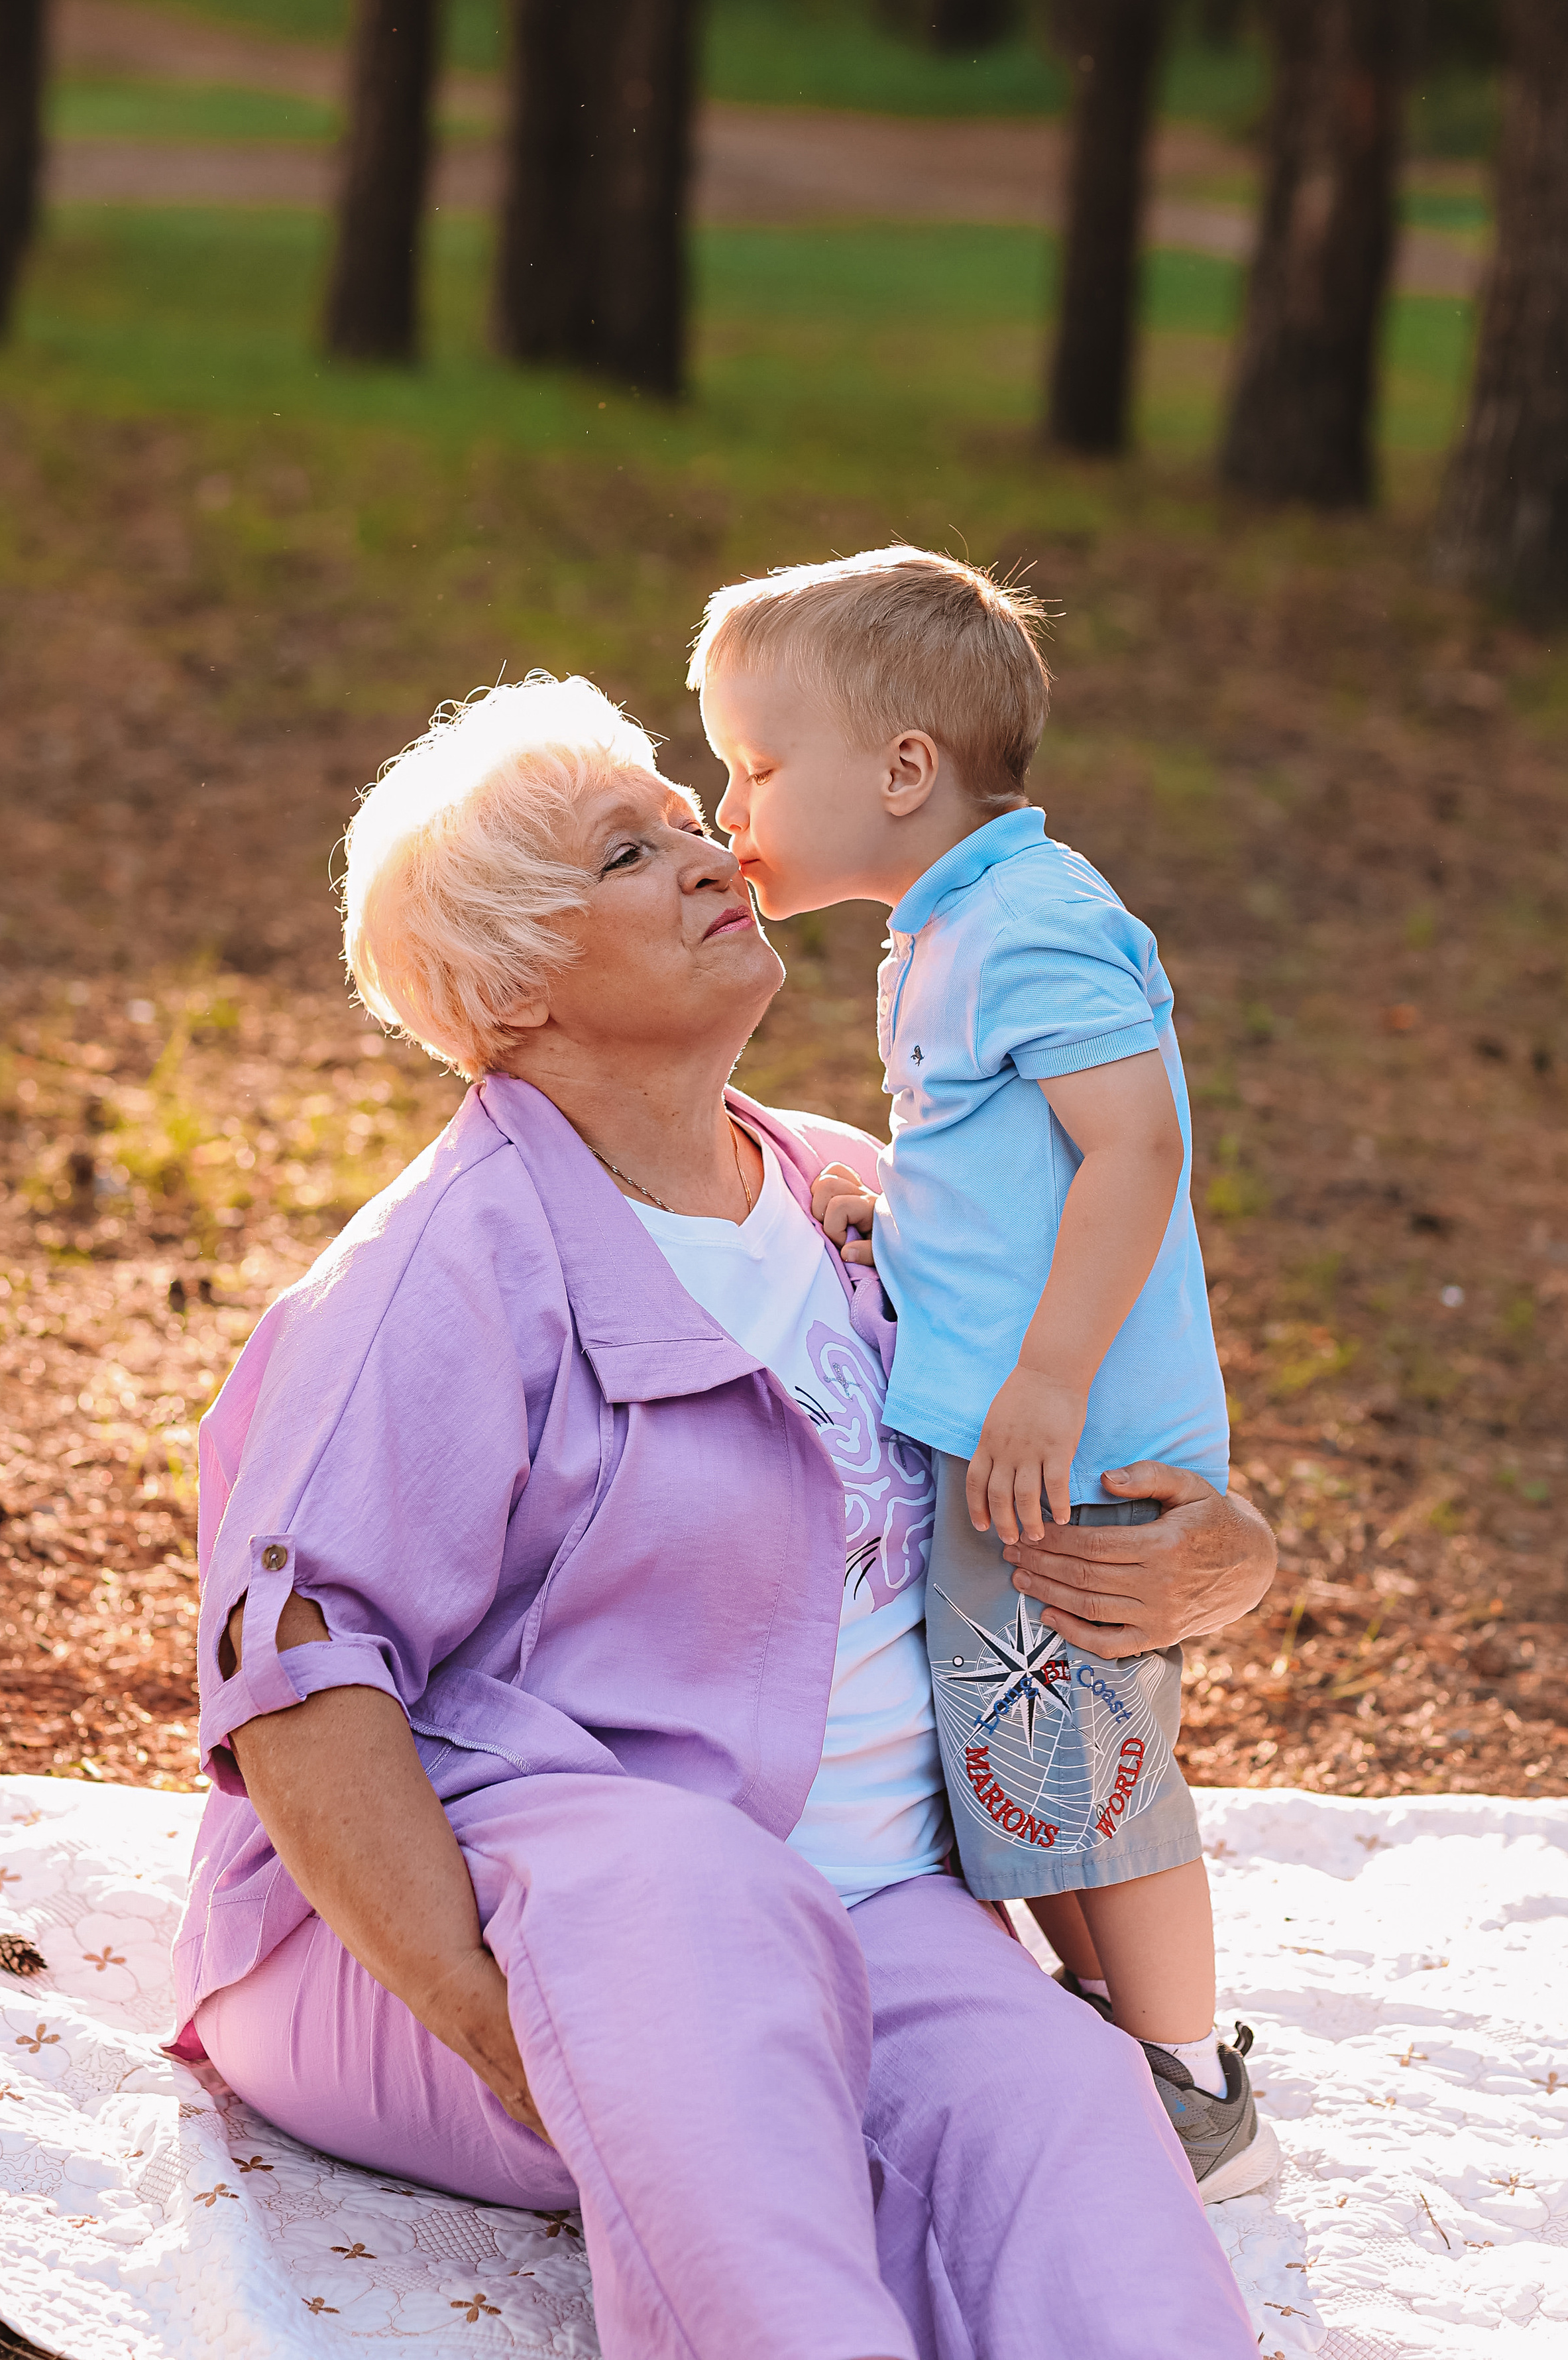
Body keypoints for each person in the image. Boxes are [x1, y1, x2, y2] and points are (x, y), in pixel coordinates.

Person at [174, 673, 1276, 2360]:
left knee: (1072, 2124)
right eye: (633, 851)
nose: (708, 856)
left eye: (694, 823)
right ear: (512, 980)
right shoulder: (434, 1277)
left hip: (871, 1912)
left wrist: (1221, 1553)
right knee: (699, 1907)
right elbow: (301, 1674)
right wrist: (508, 2033)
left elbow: (1090, 1427)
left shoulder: (859, 1191)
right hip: (462, 1938)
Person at [694, 546, 1277, 2201]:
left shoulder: (1029, 920)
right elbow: (1014, 1157)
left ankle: (1187, 2085)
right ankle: (1118, 2028)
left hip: (1067, 1440)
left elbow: (1133, 1148)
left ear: (898, 771)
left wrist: (1041, 1378)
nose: (726, 802)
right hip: (1016, 1417)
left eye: (752, 765)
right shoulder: (946, 926)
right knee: (1027, 1767)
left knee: (1094, 1760)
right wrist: (905, 1223)